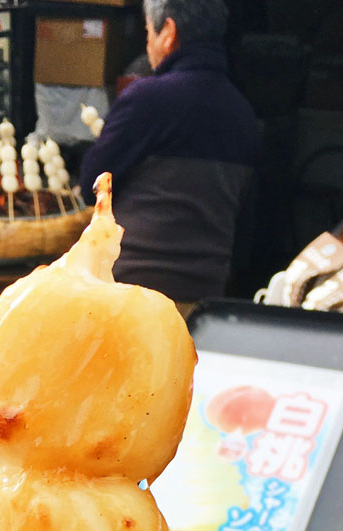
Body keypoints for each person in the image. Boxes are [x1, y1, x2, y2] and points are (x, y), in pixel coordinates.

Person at [78, 0, 259, 305]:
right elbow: (245, 230)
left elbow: (92, 186)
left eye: (148, 31)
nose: (147, 43)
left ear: (168, 33)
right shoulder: (244, 115)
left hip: (128, 299)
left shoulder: (147, 100)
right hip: (201, 303)